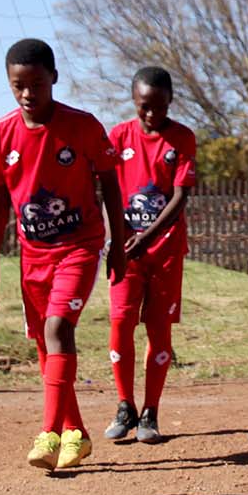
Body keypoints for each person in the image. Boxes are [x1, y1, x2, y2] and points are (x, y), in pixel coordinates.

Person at [0, 39, 125, 473]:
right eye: (18, 85)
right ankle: (76, 434)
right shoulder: (0, 135)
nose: (28, 93)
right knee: (46, 344)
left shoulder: (81, 127)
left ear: (54, 79)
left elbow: (111, 184)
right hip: (33, 256)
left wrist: (118, 244)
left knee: (59, 327)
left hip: (79, 246)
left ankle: (49, 434)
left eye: (37, 84)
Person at [105, 65, 198, 444]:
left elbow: (180, 196)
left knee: (159, 329)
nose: (152, 114)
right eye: (145, 106)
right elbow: (108, 190)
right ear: (134, 101)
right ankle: (124, 404)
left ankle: (150, 412)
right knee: (120, 323)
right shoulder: (118, 136)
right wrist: (116, 240)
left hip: (165, 251)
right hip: (127, 250)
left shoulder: (182, 138)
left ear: (170, 101)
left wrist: (147, 238)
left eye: (159, 107)